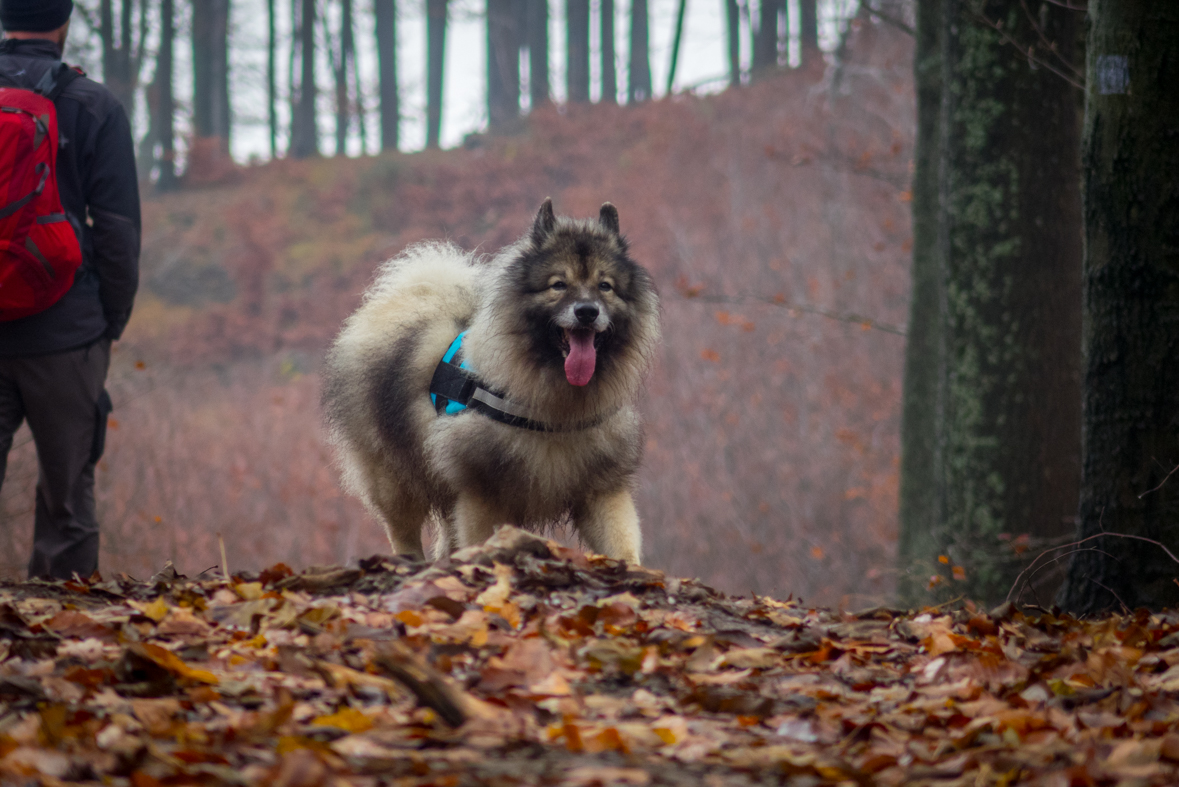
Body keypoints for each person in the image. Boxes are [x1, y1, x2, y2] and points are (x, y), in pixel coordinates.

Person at [0, 0, 140, 579]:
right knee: (67, 503)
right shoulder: (93, 105)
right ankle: (65, 641)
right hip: (67, 331)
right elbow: (117, 232)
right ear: (65, 22)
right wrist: (107, 323)